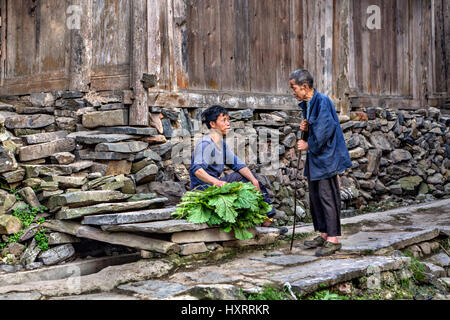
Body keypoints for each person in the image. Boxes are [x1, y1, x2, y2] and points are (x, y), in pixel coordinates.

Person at [290, 69, 352, 256]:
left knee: (327, 196)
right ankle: (324, 234)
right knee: (316, 197)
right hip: (317, 157)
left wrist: (308, 144)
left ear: (305, 87)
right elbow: (316, 126)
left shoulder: (322, 102)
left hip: (326, 157)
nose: (293, 91)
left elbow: (326, 131)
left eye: (294, 88)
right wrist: (306, 127)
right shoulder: (308, 103)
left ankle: (333, 238)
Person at [189, 105, 276, 227]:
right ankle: (266, 219)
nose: (228, 123)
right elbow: (197, 170)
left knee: (250, 177)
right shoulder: (205, 143)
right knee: (243, 179)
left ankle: (266, 218)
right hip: (203, 189)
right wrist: (217, 183)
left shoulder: (221, 144)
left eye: (228, 120)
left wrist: (254, 181)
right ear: (212, 124)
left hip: (215, 185)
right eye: (223, 120)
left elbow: (237, 164)